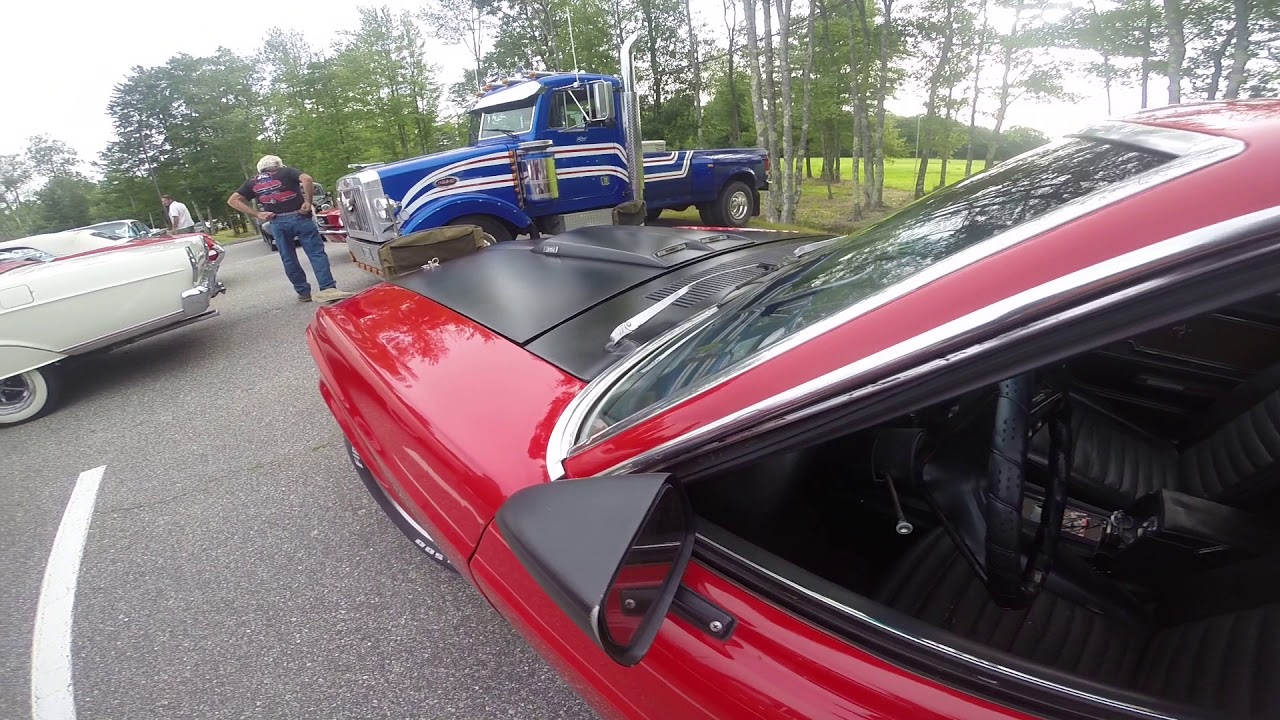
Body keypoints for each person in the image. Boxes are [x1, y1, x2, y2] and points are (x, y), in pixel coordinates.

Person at [227, 156, 352, 303]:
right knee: (316, 254)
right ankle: (328, 289)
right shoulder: (286, 172)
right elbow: (307, 179)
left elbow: (233, 200)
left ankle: (303, 293)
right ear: (278, 164)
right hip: (300, 217)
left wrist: (257, 214)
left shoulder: (252, 182)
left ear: (260, 169)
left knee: (288, 258)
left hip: (277, 222)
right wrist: (308, 202)